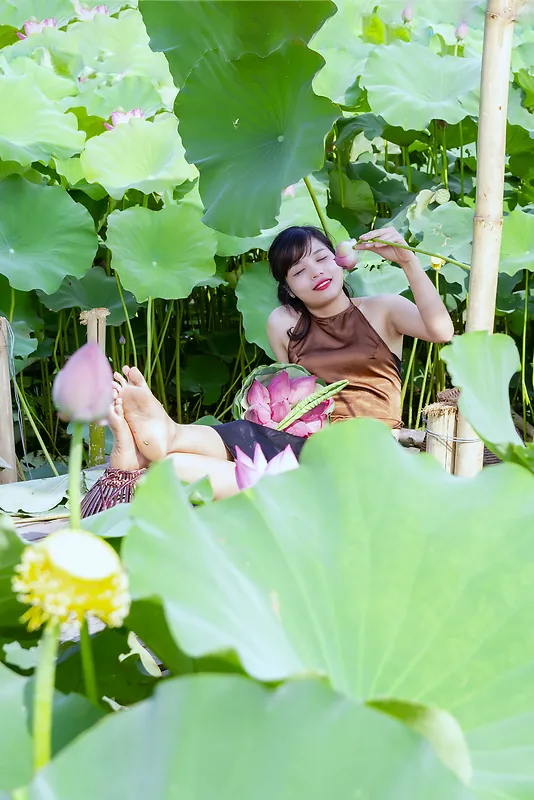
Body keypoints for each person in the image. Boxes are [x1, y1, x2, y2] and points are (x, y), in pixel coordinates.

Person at [81, 225, 454, 515]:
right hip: (306, 444)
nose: (315, 273)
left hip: (367, 448)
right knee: (240, 436)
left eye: (322, 259)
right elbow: (290, 395)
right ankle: (166, 437)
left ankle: (159, 445)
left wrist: (408, 261)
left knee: (201, 468)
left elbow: (441, 331)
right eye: (298, 271)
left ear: (341, 261)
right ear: (289, 288)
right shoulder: (285, 325)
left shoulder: (382, 308)